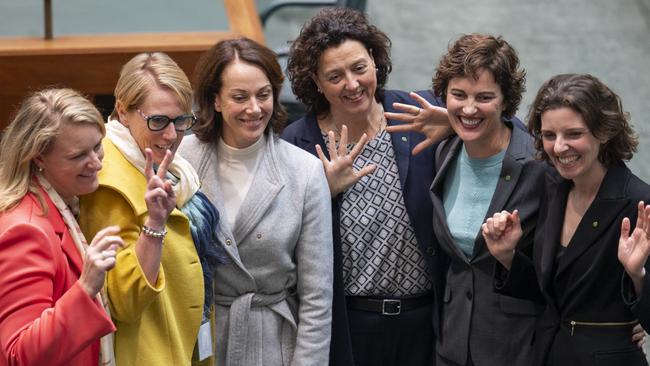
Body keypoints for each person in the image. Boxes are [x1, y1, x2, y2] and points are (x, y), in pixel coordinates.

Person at [282, 7, 452, 366]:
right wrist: (320, 192)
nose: (352, 84)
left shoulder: (417, 113)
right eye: (335, 75)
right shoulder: (298, 141)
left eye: (359, 68)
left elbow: (506, 128)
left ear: (375, 61)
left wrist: (457, 122)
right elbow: (278, 236)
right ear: (315, 80)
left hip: (426, 321)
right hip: (348, 326)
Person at [177, 37, 333, 365]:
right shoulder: (181, 159)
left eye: (264, 95)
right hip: (195, 337)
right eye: (239, 97)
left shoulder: (304, 172)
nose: (254, 108)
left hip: (272, 343)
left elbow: (317, 298)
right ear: (215, 100)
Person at [483, 73, 650, 365]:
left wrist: (638, 277)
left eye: (574, 134)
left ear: (604, 132)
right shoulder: (553, 189)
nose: (559, 147)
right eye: (549, 135)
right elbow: (552, 295)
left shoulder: (638, 202)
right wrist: (508, 256)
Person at [78, 52, 224, 365]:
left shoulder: (177, 170)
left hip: (186, 343)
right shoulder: (106, 183)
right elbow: (124, 301)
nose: (171, 136)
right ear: (122, 110)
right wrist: (155, 223)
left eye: (181, 120)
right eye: (158, 121)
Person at [0, 88, 120, 365]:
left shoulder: (63, 205)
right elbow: (20, 354)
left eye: (97, 146)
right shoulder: (25, 230)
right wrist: (87, 287)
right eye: (78, 155)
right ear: (38, 158)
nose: (96, 162)